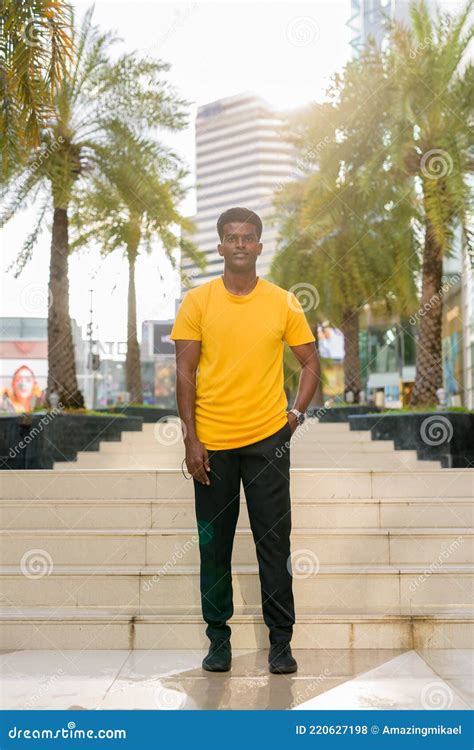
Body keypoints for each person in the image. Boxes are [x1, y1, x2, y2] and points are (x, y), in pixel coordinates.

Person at [170, 207, 319, 674]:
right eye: (231, 237)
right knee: (214, 546)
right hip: (212, 444)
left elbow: (311, 363)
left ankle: (280, 642)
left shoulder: (282, 302)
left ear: (258, 246)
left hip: (267, 441)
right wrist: (191, 439)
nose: (239, 244)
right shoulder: (197, 302)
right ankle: (218, 640)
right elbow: (184, 375)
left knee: (274, 543)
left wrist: (294, 416)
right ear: (220, 246)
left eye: (247, 237)